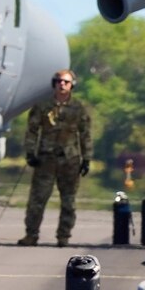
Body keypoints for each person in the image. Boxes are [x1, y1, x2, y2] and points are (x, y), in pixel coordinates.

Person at [19, 69, 93, 247]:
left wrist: (87, 158)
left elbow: (85, 134)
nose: (62, 84)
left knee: (68, 200)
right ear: (54, 84)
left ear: (72, 85)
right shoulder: (43, 107)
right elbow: (32, 130)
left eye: (66, 82)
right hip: (46, 159)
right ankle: (31, 234)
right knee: (37, 199)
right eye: (59, 81)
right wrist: (30, 153)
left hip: (70, 160)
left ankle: (63, 236)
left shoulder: (79, 108)